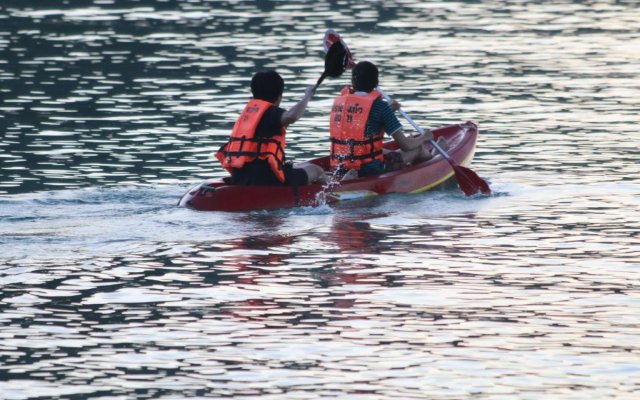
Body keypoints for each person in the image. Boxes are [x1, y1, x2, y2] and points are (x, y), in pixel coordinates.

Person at [329, 61, 446, 179]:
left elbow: (362, 125)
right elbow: (406, 146)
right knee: (417, 148)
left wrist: (389, 111)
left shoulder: (341, 104)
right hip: (371, 170)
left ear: (353, 81)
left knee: (386, 150)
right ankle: (436, 158)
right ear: (376, 83)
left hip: (341, 166)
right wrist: (424, 137)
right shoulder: (380, 107)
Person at [216, 70, 327, 186]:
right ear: (279, 96)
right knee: (316, 171)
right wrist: (307, 96)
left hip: (240, 176)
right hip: (267, 179)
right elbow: (292, 116)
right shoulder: (270, 113)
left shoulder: (249, 113)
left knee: (299, 165)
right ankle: (333, 194)